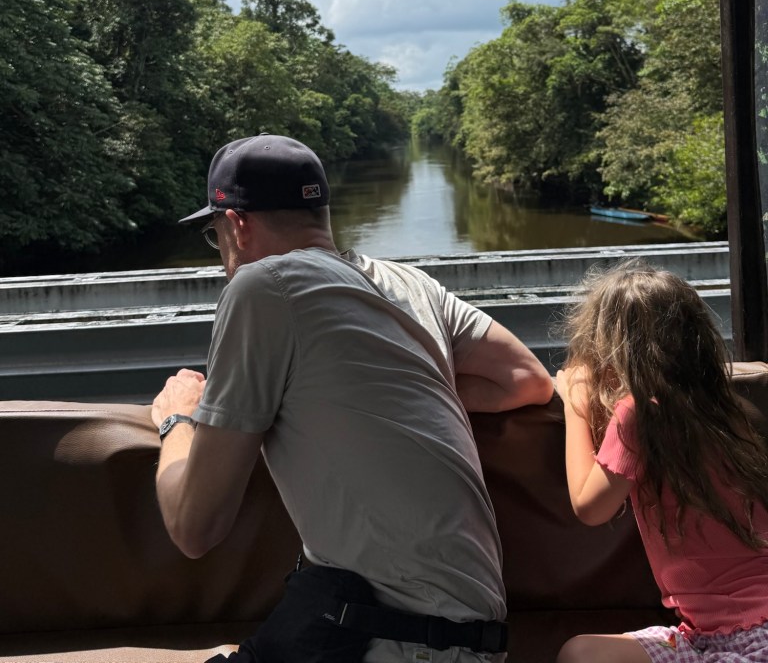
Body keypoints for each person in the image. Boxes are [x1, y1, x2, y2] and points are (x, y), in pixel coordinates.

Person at [151, 133, 554, 663]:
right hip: (456, 637)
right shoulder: (409, 284)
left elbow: (194, 528)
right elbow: (526, 379)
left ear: (237, 224)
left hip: (402, 644)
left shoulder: (262, 286)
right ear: (321, 212)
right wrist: (391, 393)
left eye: (214, 235)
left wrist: (178, 420)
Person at [556, 260, 768, 663]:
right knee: (580, 652)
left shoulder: (640, 413)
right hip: (701, 634)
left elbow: (589, 506)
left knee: (579, 654)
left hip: (749, 635)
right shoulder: (728, 411)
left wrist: (576, 405)